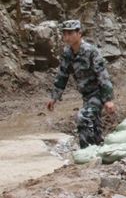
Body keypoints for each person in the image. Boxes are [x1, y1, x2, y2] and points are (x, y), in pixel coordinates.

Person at [45, 20, 115, 148]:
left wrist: (108, 99)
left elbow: (103, 75)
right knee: (95, 127)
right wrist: (54, 97)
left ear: (79, 33)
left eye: (70, 33)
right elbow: (62, 76)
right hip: (86, 95)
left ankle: (85, 150)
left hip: (98, 93)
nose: (67, 37)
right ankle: (98, 148)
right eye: (65, 34)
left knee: (82, 117)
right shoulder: (67, 54)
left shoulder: (91, 51)